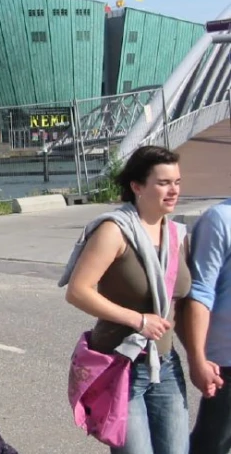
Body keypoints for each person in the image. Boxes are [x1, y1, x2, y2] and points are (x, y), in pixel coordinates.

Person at [62, 145, 190, 454]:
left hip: (166, 365)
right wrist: (137, 320)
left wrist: (199, 356)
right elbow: (78, 291)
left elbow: (184, 302)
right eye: (163, 183)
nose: (173, 190)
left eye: (176, 182)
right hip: (122, 365)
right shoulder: (114, 231)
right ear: (136, 186)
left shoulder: (177, 234)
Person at [184, 198, 230, 454]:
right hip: (228, 360)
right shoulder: (220, 219)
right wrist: (198, 358)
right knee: (213, 445)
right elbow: (200, 291)